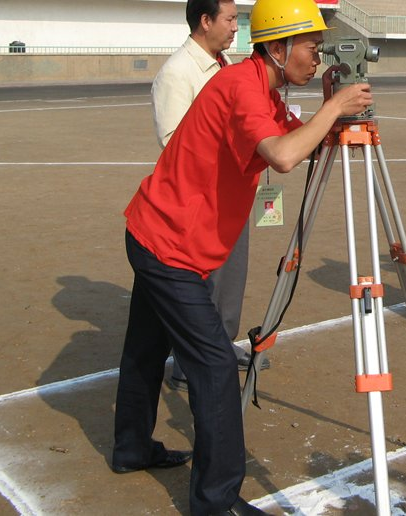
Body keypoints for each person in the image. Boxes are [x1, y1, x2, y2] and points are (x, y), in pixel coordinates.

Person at [110, 0, 373, 513]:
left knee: (144, 350)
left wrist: (324, 106)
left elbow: (295, 140)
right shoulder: (242, 87)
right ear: (278, 48)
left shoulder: (261, 86)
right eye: (311, 48)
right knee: (212, 369)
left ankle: (131, 447)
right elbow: (282, 154)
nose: (318, 57)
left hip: (160, 233)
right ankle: (216, 501)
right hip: (169, 245)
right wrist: (335, 109)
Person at [151, 0, 250, 392]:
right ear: (205, 21)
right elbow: (174, 143)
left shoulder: (223, 66)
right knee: (203, 284)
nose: (234, 28)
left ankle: (222, 345)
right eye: (229, 20)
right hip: (200, 201)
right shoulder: (178, 73)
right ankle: (190, 361)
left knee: (231, 279)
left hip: (231, 190)